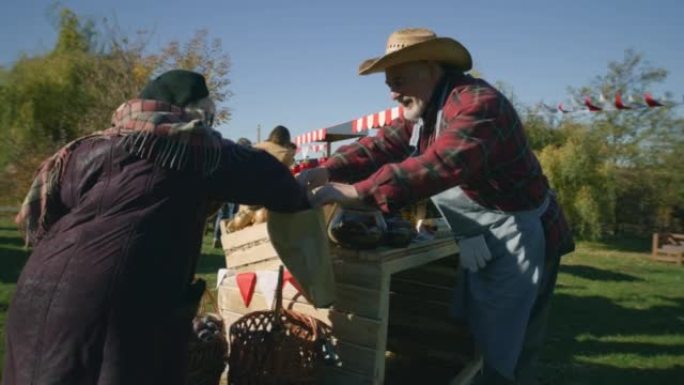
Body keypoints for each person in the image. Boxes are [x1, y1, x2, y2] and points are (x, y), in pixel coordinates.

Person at [298, 28, 575, 384]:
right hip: (486, 230)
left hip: (520, 234)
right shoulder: (427, 110)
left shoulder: (478, 105)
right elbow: (381, 145)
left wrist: (358, 191)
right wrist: (325, 170)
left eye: (399, 79)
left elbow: (441, 164)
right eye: (389, 84)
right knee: (482, 330)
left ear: (430, 67)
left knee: (511, 347)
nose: (394, 92)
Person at [3, 70, 310, 385]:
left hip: (37, 294)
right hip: (118, 305)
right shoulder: (196, 149)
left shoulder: (87, 147)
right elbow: (273, 180)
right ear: (197, 112)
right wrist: (309, 191)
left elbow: (50, 215)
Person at [212, 137, 253, 248]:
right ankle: (224, 239)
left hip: (225, 189)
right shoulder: (239, 158)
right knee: (228, 215)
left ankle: (218, 237)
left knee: (223, 214)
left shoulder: (229, 155)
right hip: (231, 190)